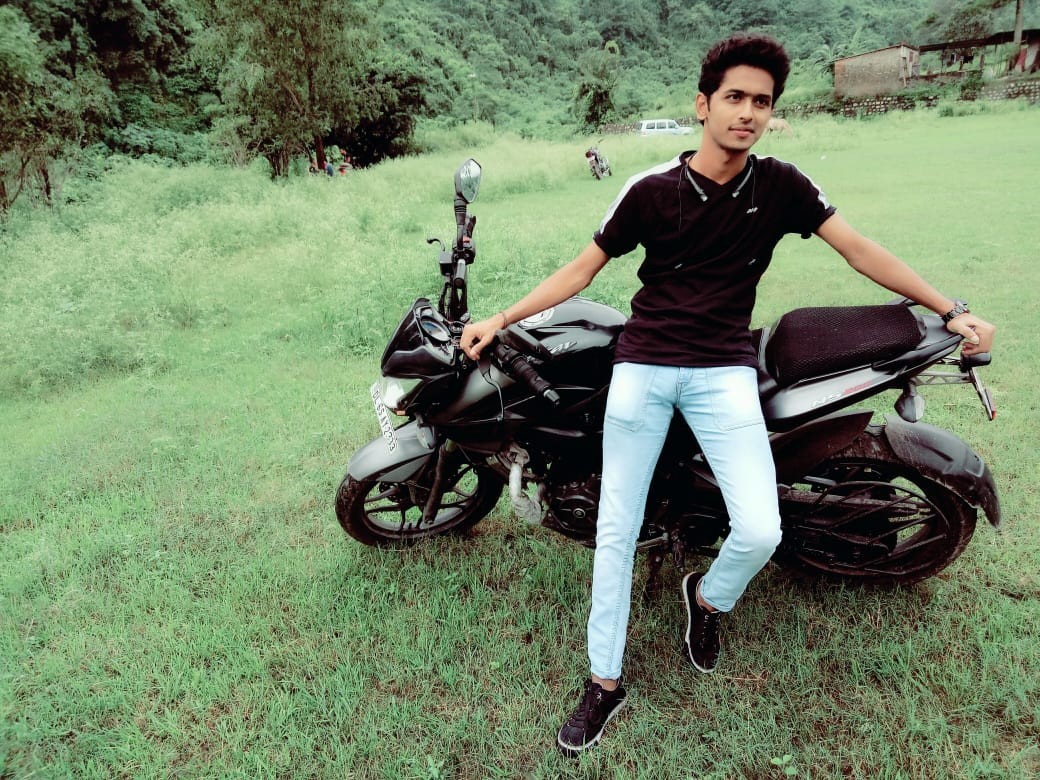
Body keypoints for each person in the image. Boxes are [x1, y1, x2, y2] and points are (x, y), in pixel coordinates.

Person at [459, 33, 995, 757]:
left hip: (724, 371)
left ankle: (707, 598)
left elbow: (858, 248)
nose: (748, 113)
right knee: (616, 535)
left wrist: (949, 306)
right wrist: (499, 319)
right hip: (644, 368)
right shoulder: (650, 190)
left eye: (762, 102)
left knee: (762, 530)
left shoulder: (782, 186)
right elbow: (581, 271)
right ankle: (604, 682)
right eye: (735, 98)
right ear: (703, 105)